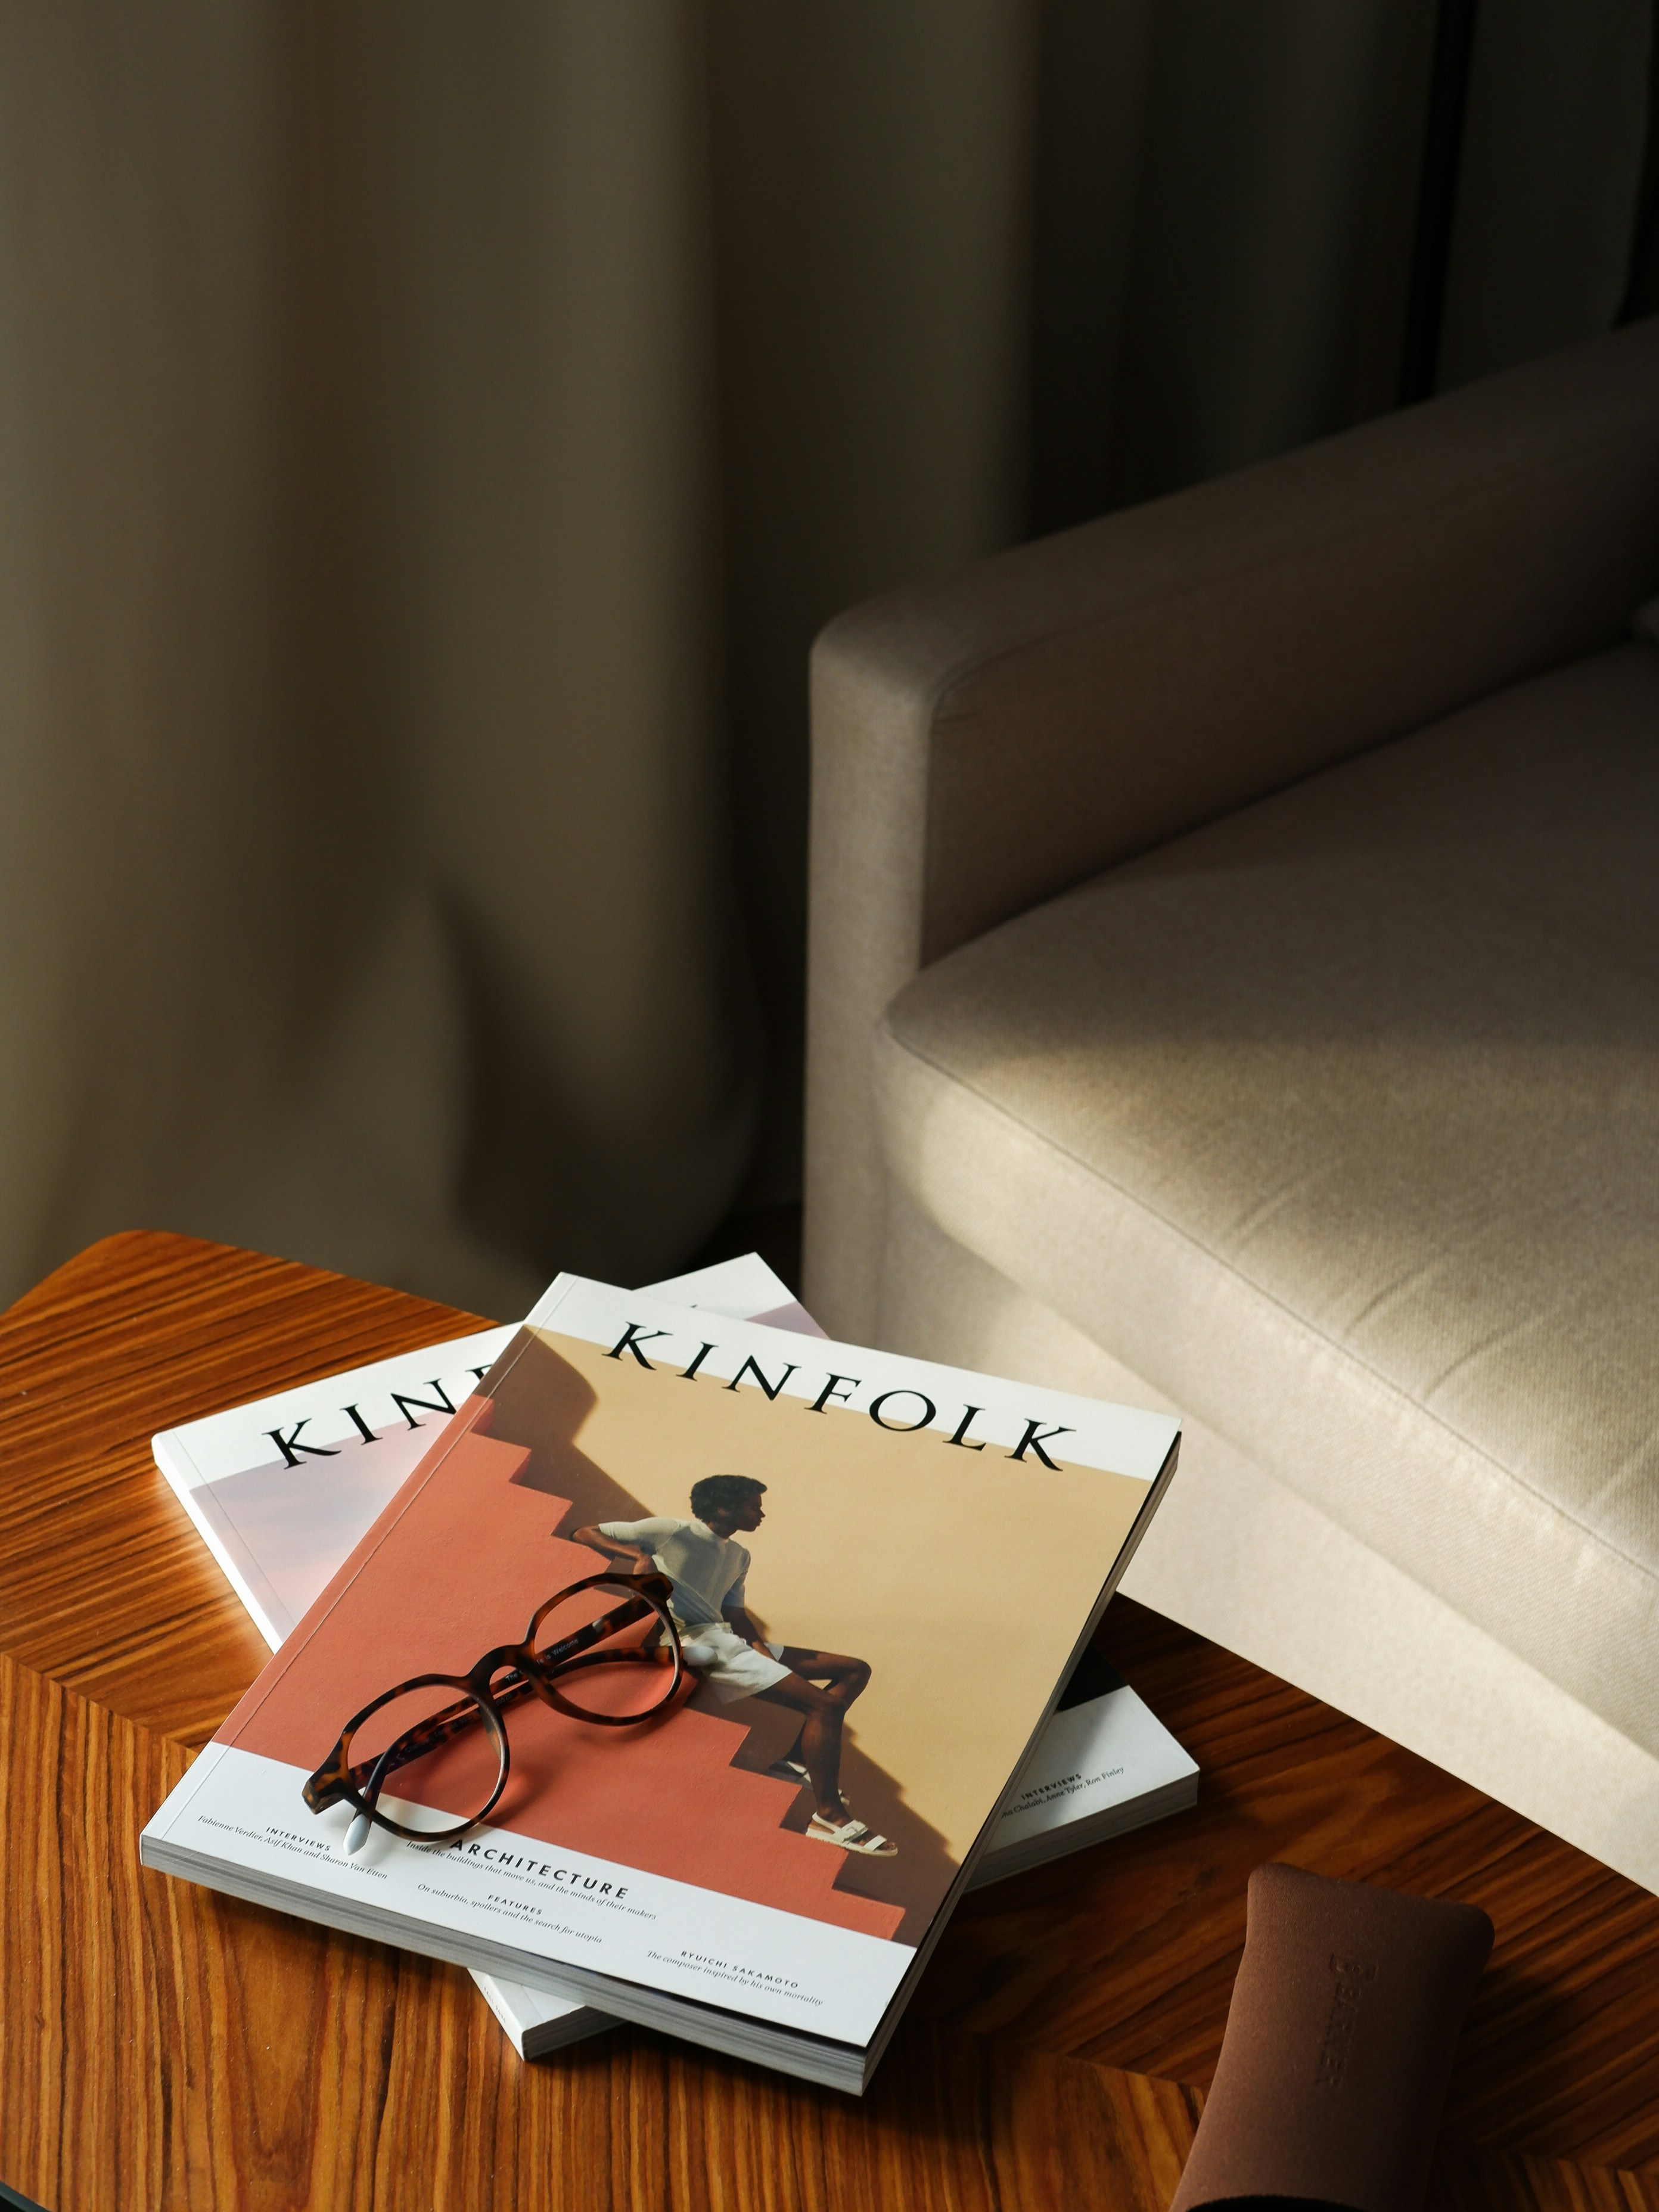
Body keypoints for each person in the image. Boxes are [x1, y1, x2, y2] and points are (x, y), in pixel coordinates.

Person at [569, 1474, 896, 1856]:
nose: (761, 1514)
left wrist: (762, 1654)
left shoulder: (740, 1555)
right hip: (690, 1640)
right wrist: (638, 1557)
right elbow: (584, 1532)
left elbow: (736, 1615)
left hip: (728, 1637)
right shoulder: (672, 1531)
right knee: (824, 1706)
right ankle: (829, 1817)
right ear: (724, 1506)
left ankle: (793, 1765)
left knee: (855, 1669)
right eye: (753, 1506)